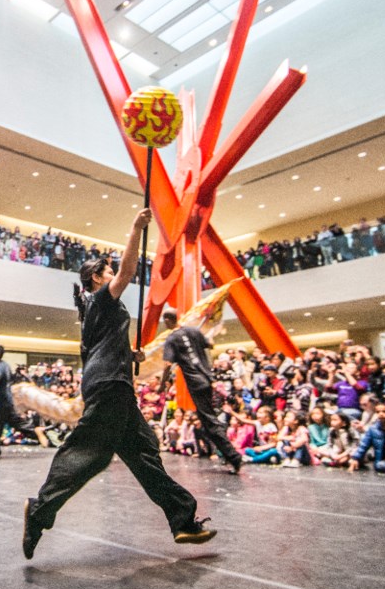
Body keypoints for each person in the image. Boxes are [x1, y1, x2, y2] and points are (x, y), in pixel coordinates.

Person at [23, 208, 214, 562]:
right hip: (110, 386)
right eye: (106, 271)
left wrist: (131, 356)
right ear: (96, 278)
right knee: (88, 456)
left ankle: (182, 519)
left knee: (145, 455)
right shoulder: (99, 299)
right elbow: (127, 271)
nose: (113, 274)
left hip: (116, 382)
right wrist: (135, 229)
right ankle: (39, 511)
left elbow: (106, 346)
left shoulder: (99, 310)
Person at [159, 311, 244, 474]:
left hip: (196, 383)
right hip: (207, 379)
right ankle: (228, 454)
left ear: (168, 320)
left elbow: (167, 364)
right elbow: (210, 344)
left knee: (209, 422)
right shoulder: (193, 331)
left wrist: (163, 384)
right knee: (207, 421)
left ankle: (234, 457)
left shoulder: (171, 339)